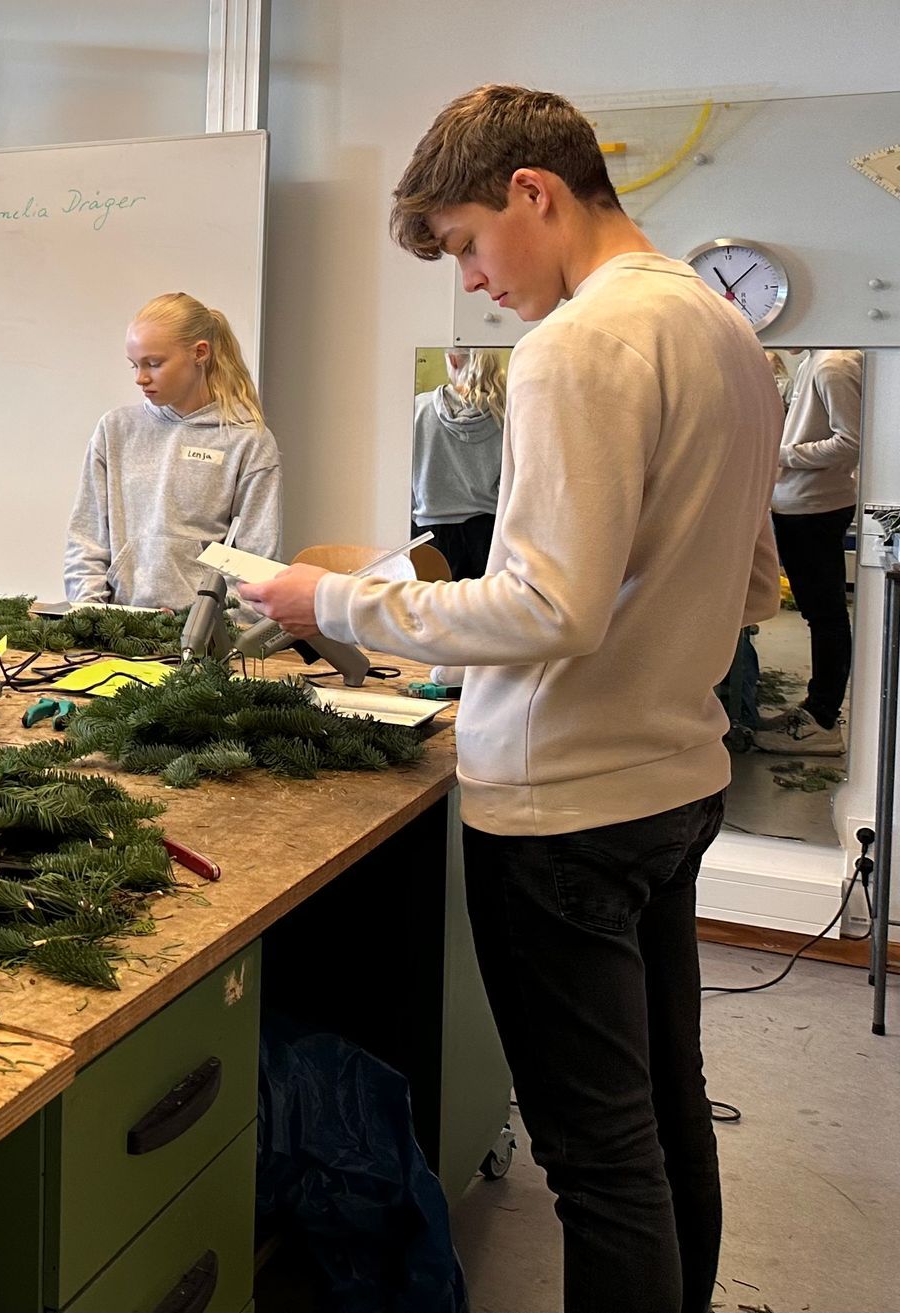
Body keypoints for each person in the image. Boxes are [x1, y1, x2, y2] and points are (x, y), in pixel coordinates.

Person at [244, 86, 781, 1313]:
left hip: (564, 808)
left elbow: (550, 608)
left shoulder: (577, 343)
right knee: (663, 1115)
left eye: (468, 244)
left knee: (598, 1160)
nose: (476, 281)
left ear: (534, 191)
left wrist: (334, 601)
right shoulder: (722, 328)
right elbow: (753, 581)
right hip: (676, 783)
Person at [63, 292, 282, 610]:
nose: (140, 378)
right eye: (134, 365)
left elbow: (256, 561)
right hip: (115, 626)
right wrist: (92, 614)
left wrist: (207, 624)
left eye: (154, 364)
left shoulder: (247, 441)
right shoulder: (115, 430)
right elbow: (86, 540)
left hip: (203, 633)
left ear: (200, 353)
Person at [753, 349, 862, 755]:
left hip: (815, 506)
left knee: (826, 616)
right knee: (821, 614)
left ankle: (822, 720)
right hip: (800, 503)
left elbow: (849, 443)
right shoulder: (816, 361)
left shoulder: (835, 365)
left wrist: (780, 454)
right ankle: (817, 710)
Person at [411, 348, 505, 580]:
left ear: (452, 359)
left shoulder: (417, 409)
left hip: (429, 539)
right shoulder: (505, 412)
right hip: (488, 537)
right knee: (482, 604)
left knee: (429, 602)